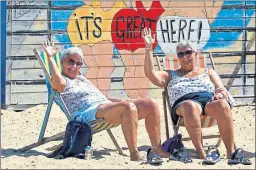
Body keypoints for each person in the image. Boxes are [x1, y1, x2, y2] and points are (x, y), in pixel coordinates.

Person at [42, 40, 169, 162]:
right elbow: (58, 82)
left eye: (79, 63)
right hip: (87, 114)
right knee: (127, 107)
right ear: (62, 62)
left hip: (104, 106)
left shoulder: (81, 78)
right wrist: (50, 58)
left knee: (150, 104)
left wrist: (117, 100)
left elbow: (98, 96)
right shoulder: (62, 81)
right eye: (70, 62)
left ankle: (157, 149)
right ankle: (134, 153)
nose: (74, 67)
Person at [142, 27, 251, 165]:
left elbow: (220, 87)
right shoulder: (170, 74)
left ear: (195, 53)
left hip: (208, 102)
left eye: (188, 52)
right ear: (177, 57)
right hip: (185, 105)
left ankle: (231, 152)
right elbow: (150, 74)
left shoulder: (208, 71)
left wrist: (220, 93)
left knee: (223, 105)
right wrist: (148, 48)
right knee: (190, 106)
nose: (185, 57)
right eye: (180, 55)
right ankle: (201, 153)